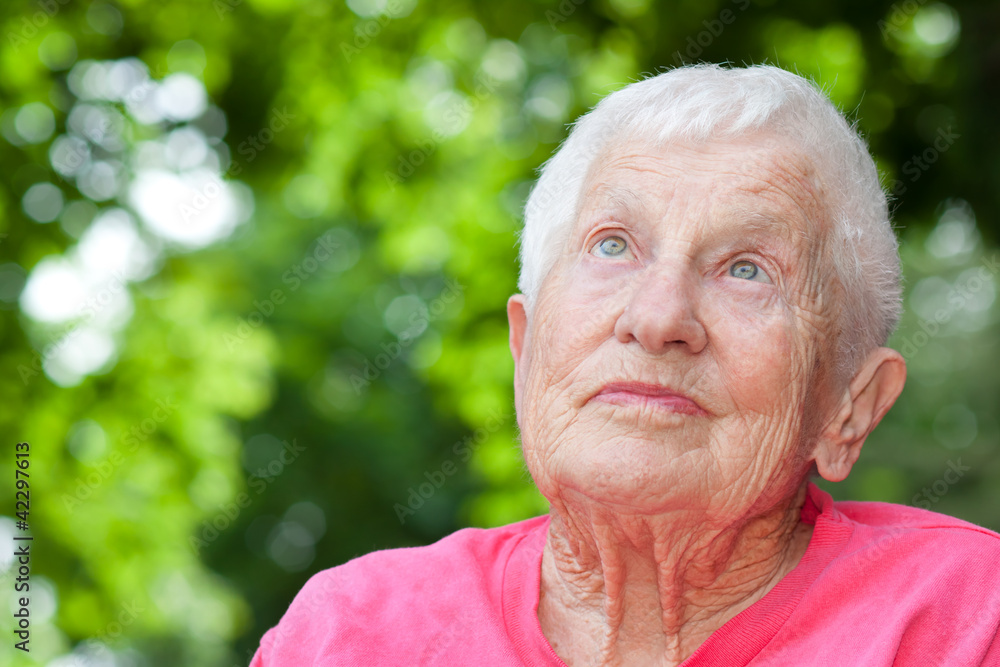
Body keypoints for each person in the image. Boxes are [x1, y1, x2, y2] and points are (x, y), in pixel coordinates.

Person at [250, 64, 1000, 666]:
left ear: (850, 405)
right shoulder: (351, 636)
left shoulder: (966, 620)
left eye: (747, 269)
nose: (658, 317)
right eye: (613, 244)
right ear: (526, 348)